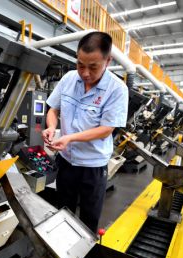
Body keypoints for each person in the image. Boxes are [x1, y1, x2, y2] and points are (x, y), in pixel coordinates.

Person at [42, 32, 128, 232]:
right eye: (80, 64)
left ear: (108, 61)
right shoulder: (69, 79)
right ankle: (62, 255)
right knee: (63, 212)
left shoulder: (117, 90)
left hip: (93, 166)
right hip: (66, 161)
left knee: (88, 219)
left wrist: (69, 137)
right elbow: (53, 109)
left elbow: (106, 129)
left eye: (93, 67)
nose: (85, 73)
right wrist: (51, 127)